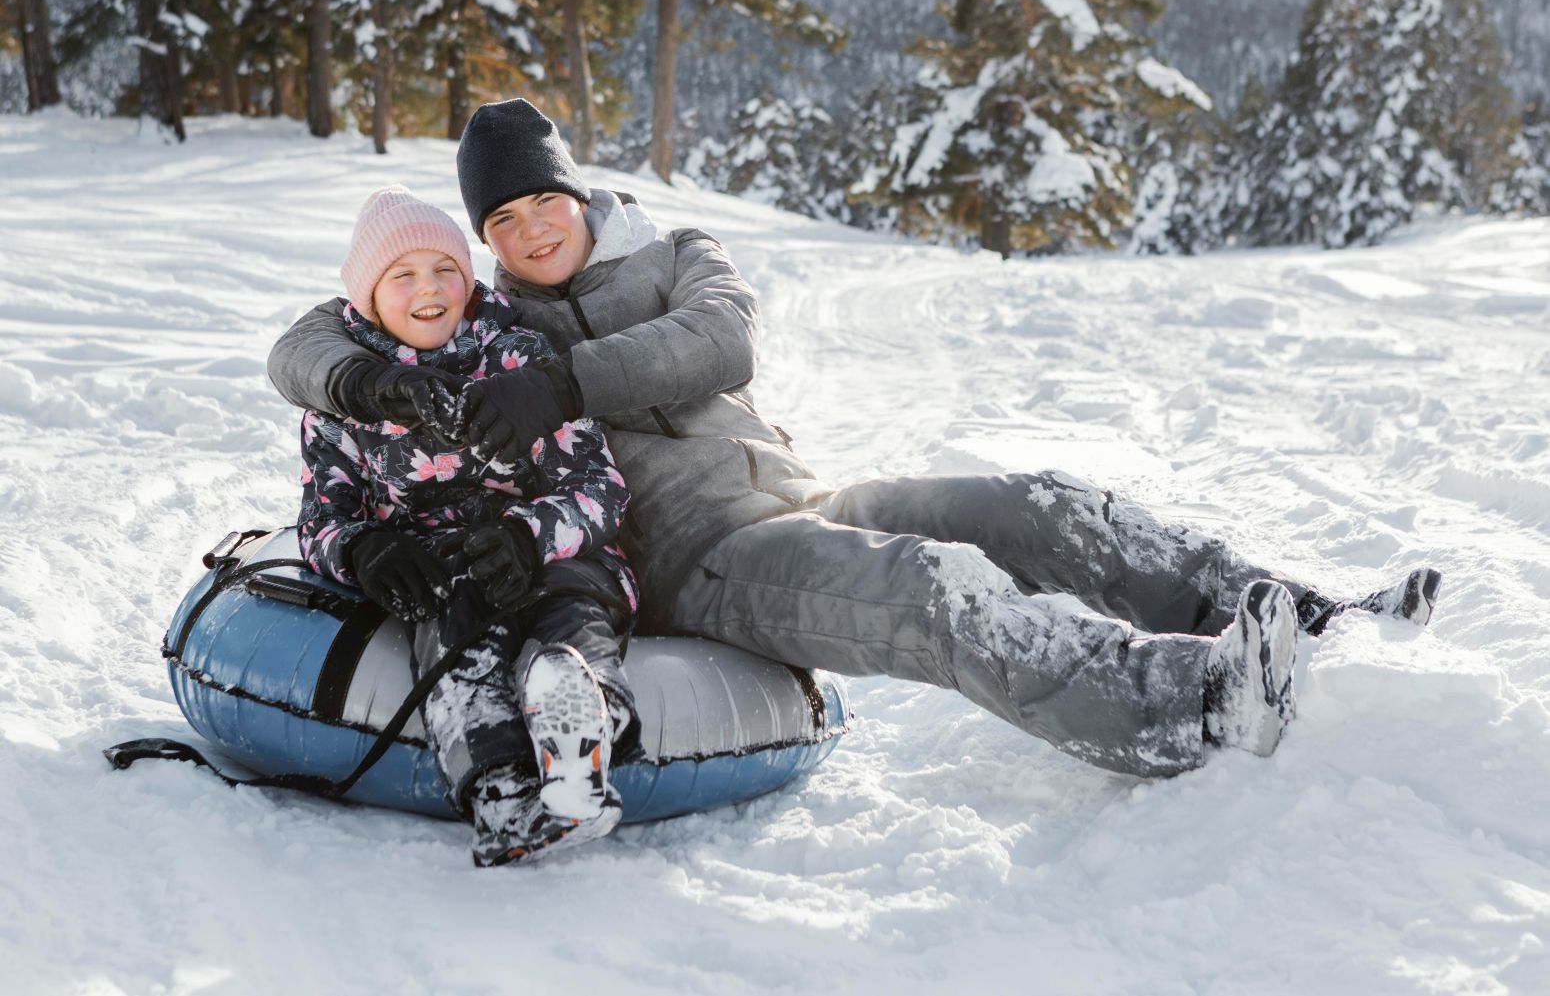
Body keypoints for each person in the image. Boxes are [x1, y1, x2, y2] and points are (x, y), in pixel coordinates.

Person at [272, 99, 1443, 783]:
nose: (529, 230)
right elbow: (307, 342)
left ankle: (1273, 604)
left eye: (543, 202)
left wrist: (568, 380)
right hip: (697, 560)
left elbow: (721, 344)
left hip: (801, 492)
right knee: (926, 588)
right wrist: (359, 374)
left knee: (1023, 503)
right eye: (503, 219)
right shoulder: (481, 323)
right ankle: (1183, 705)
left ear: (580, 196)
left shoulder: (672, 255)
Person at [295, 185, 640, 866]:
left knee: (571, 608)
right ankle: (501, 787)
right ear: (368, 295)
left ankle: (578, 713)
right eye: (403, 274)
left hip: (545, 546)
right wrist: (367, 549)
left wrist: (529, 533)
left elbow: (600, 486)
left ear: (469, 278)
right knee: (451, 631)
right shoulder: (344, 402)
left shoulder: (517, 361)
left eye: (445, 269)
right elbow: (321, 520)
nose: (430, 288)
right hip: (442, 568)